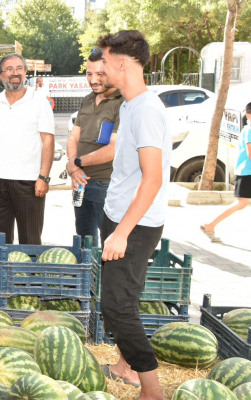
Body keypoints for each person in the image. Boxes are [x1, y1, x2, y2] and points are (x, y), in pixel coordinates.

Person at [96, 30, 171, 399]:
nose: (102, 68)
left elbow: (153, 179)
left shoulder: (147, 110)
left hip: (136, 224)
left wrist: (122, 232)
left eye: (106, 62)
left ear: (121, 63)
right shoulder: (128, 105)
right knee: (119, 299)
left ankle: (152, 390)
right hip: (120, 215)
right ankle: (126, 368)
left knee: (118, 305)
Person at [0, 53, 55, 247]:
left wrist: (43, 177)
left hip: (29, 182)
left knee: (30, 240)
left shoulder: (39, 102)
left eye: (19, 68)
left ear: (25, 72)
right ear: (0, 75)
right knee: (0, 241)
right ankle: (2, 278)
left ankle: (30, 278)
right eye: (9, 69)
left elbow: (48, 141)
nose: (15, 73)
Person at [66, 48, 124, 244]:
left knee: (110, 243)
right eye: (89, 74)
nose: (93, 80)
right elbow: (73, 137)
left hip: (105, 184)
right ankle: (88, 275)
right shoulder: (88, 99)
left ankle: (105, 276)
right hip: (81, 183)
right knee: (84, 241)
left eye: (100, 73)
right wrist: (74, 168)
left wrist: (76, 163)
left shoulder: (122, 103)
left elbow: (114, 148)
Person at [201, 101, 251, 242]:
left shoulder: (247, 129)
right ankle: (210, 225)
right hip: (247, 173)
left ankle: (210, 225)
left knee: (241, 203)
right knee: (240, 203)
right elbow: (250, 153)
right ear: (248, 115)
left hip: (245, 172)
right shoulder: (249, 130)